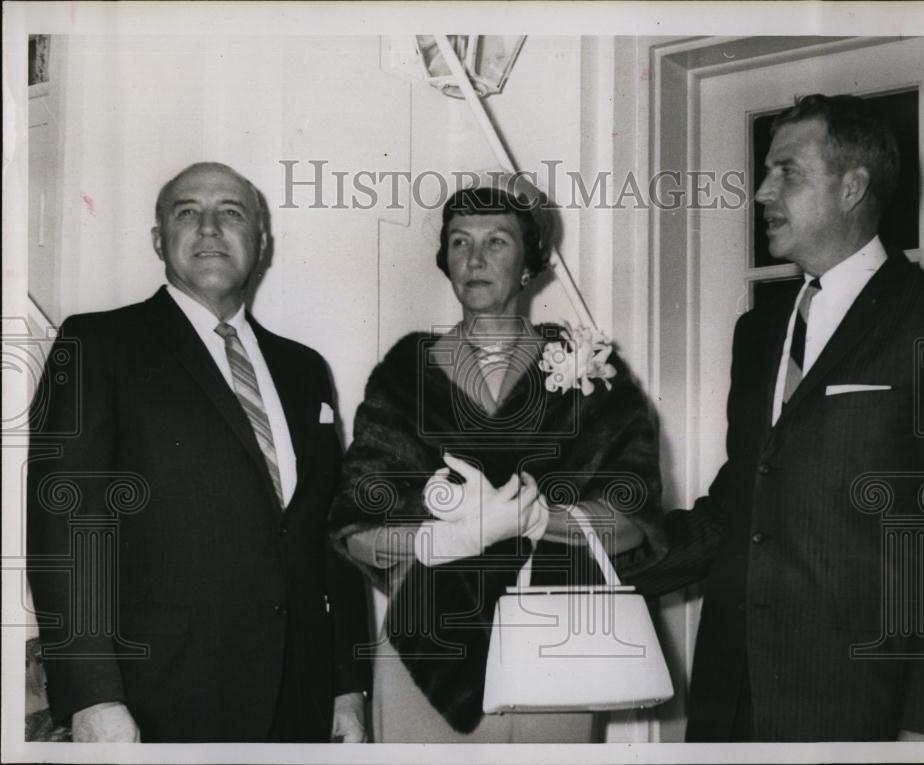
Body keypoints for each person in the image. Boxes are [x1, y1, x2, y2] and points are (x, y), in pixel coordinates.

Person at [638, 94, 924, 741]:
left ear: (853, 186)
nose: (761, 192)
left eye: (786, 171)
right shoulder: (759, 332)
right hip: (731, 703)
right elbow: (739, 510)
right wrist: (607, 550)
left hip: (859, 712)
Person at [26, 162, 370, 743]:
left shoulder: (304, 369)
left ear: (260, 242)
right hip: (155, 699)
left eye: (231, 213)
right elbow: (65, 524)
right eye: (188, 212)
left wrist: (347, 688)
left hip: (302, 699)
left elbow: (332, 537)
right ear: (159, 239)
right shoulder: (97, 344)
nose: (210, 227)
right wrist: (92, 697)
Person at [327, 176, 670, 742]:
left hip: (559, 645)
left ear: (531, 263)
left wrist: (539, 519)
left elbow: (634, 521)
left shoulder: (590, 373)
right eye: (460, 241)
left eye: (497, 242)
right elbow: (354, 525)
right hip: (427, 641)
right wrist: (438, 540)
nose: (475, 259)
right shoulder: (404, 374)